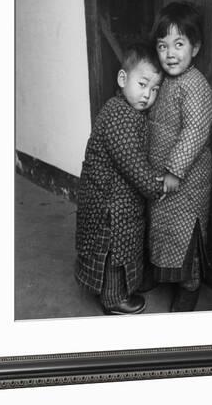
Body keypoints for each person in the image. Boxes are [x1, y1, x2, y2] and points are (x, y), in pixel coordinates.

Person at [75, 43, 165, 315]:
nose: (147, 95)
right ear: (123, 79)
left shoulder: (129, 112)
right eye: (142, 84)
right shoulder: (118, 116)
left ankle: (127, 285)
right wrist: (154, 185)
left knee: (127, 244)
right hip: (108, 203)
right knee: (115, 249)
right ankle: (113, 299)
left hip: (118, 196)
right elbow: (133, 162)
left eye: (154, 90)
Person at [146, 2, 212, 312]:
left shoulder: (195, 86)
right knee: (162, 233)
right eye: (163, 46)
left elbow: (195, 131)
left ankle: (189, 289)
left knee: (186, 241)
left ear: (195, 47)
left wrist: (174, 170)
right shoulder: (164, 80)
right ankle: (162, 274)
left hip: (186, 184)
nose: (170, 53)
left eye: (179, 44)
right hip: (162, 179)